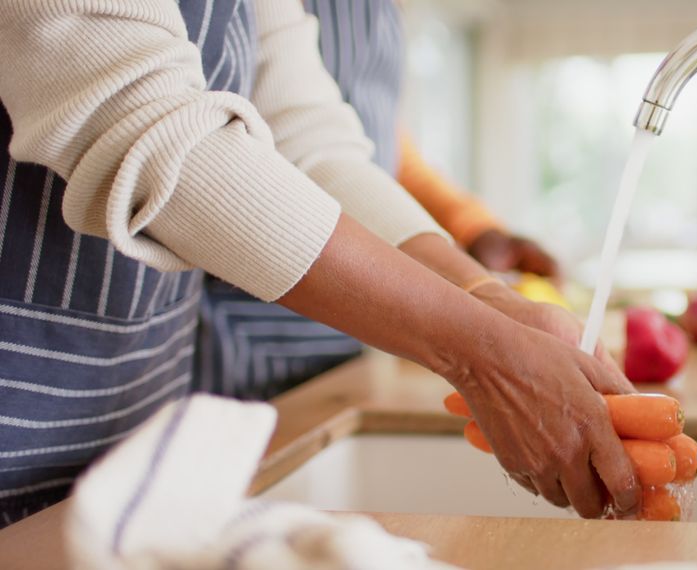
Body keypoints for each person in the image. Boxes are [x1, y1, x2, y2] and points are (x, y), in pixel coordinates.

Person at [0, 0, 638, 527]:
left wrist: (485, 296)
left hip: (136, 418)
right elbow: (143, 120)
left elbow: (310, 143)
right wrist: (480, 350)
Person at [195, 0, 560, 400]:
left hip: (359, 320)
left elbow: (369, 147)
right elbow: (270, 142)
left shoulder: (385, 9)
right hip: (247, 313)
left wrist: (473, 231)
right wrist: (473, 322)